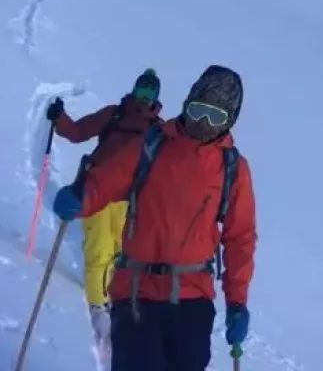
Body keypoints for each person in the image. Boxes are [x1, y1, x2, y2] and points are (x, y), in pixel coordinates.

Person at [53, 65, 256, 371]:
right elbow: (108, 180)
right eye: (199, 110)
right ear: (188, 104)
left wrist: (237, 302)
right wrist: (82, 198)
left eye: (215, 117)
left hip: (192, 299)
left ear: (229, 121)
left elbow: (240, 238)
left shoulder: (233, 169)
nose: (203, 123)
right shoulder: (153, 145)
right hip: (137, 293)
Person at [46, 69, 162, 342]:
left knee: (120, 252)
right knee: (99, 249)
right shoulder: (115, 114)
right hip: (97, 190)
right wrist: (59, 119)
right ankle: (97, 306)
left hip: (129, 200)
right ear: (134, 89)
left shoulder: (158, 131)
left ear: (156, 97)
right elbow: (78, 131)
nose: (143, 98)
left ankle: (108, 297)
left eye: (149, 93)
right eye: (141, 91)